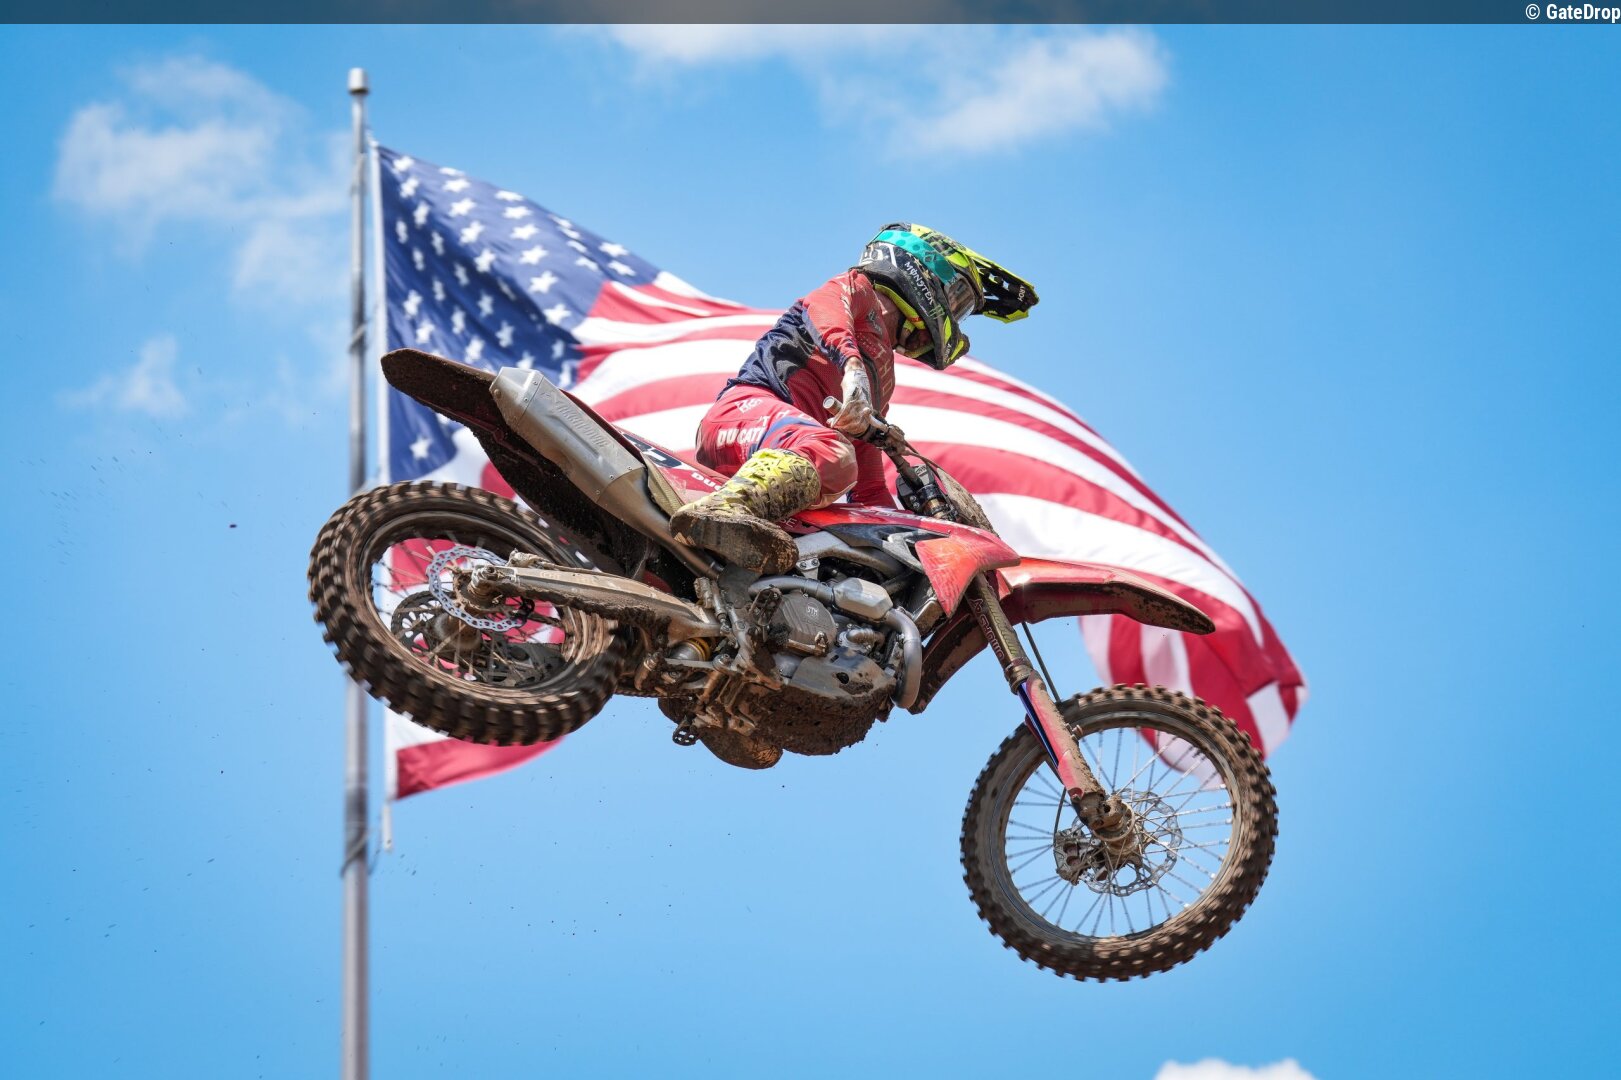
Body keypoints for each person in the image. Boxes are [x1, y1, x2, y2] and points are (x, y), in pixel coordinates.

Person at [670, 223, 1039, 574]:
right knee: (831, 453)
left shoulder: (881, 378)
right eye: (958, 300)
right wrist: (851, 368)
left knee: (849, 491)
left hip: (784, 446)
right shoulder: (857, 288)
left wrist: (908, 538)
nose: (955, 318)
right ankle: (724, 511)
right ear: (923, 269)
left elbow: (870, 490)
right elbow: (826, 313)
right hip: (743, 412)